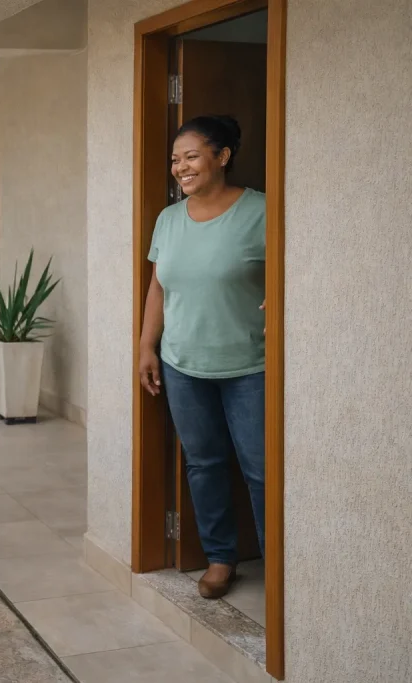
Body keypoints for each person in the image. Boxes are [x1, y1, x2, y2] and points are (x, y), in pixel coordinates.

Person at [138, 114, 266, 600]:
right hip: (182, 366)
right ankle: (219, 558)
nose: (181, 167)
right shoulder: (169, 219)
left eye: (191, 156)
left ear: (222, 156)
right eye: (176, 159)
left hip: (250, 366)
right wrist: (147, 346)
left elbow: (293, 271)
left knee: (262, 471)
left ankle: (280, 569)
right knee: (203, 464)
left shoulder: (262, 211)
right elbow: (158, 287)